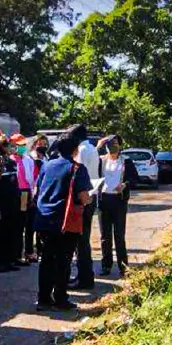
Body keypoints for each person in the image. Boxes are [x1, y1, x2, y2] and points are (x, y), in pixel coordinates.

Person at [34, 132, 93, 311]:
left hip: (44, 218)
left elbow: (38, 188)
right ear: (75, 150)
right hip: (64, 221)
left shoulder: (47, 165)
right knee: (63, 260)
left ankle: (43, 298)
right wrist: (90, 199)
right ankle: (60, 299)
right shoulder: (77, 168)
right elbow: (83, 197)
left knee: (46, 260)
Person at [69, 125, 99, 290]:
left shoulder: (81, 150)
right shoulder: (93, 149)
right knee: (84, 240)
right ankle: (85, 276)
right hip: (91, 196)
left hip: (83, 197)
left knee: (80, 242)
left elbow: (76, 174)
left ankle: (84, 278)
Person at [96, 135, 127, 276]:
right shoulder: (101, 160)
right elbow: (86, 161)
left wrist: (124, 185)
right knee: (105, 236)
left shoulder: (125, 161)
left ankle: (123, 266)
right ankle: (106, 265)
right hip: (104, 200)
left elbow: (133, 177)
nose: (112, 146)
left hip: (119, 201)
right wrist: (97, 146)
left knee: (119, 235)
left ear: (120, 145)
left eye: (115, 143)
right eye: (109, 144)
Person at [0, 136, 23, 272]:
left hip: (13, 202)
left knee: (11, 232)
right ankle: (0, 262)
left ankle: (10, 260)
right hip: (1, 202)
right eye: (8, 146)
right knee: (1, 233)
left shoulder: (11, 162)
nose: (12, 148)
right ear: (2, 147)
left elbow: (14, 181)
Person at [10, 134, 35, 265]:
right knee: (16, 225)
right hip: (14, 193)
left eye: (24, 145)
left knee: (24, 223)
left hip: (25, 193)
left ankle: (24, 253)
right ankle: (15, 254)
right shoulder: (10, 160)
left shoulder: (28, 159)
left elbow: (31, 179)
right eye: (19, 145)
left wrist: (31, 194)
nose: (22, 147)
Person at [26, 134, 49, 262]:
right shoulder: (31, 158)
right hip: (33, 193)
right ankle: (29, 251)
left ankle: (40, 249)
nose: (43, 145)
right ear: (35, 144)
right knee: (30, 225)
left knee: (42, 224)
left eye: (44, 143)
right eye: (40, 143)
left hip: (44, 193)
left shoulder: (46, 157)